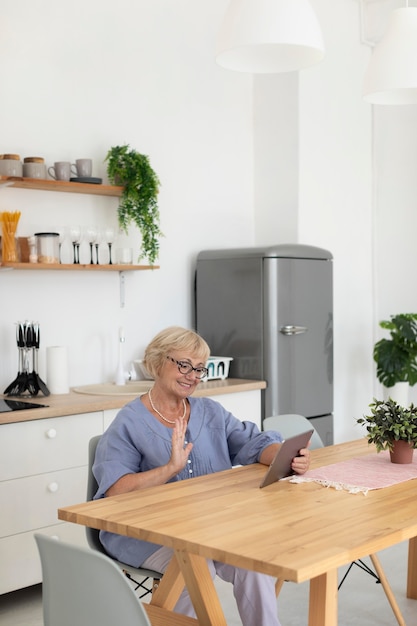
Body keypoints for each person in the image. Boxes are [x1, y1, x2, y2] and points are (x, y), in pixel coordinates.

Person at [93, 326, 310, 626]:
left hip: (209, 527)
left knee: (254, 560)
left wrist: (287, 456)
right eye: (183, 365)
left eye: (199, 369)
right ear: (157, 363)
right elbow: (115, 493)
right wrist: (169, 469)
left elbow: (254, 444)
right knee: (197, 565)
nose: (192, 375)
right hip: (145, 534)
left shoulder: (210, 411)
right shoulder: (128, 422)